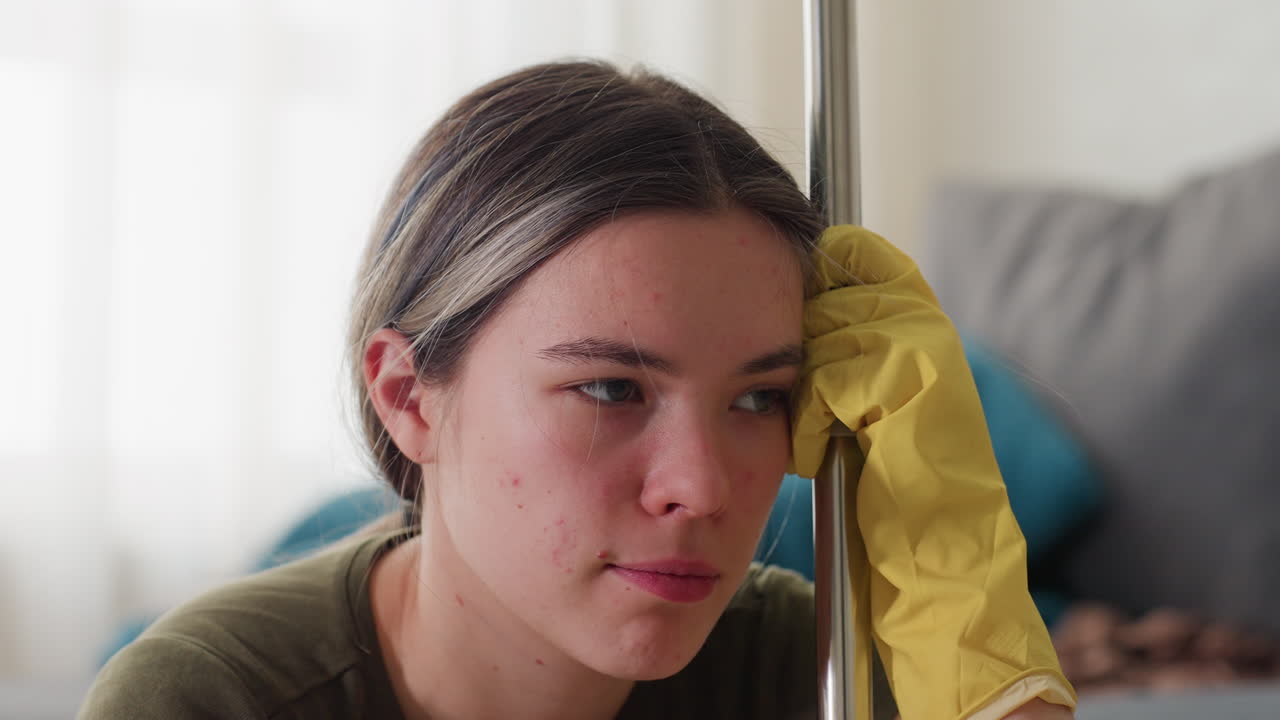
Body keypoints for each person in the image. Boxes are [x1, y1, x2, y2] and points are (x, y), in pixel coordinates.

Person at [79, 60, 1073, 719]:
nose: (703, 489)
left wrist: (950, 564)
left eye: (757, 398)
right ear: (408, 395)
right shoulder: (206, 701)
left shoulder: (798, 667)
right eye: (609, 389)